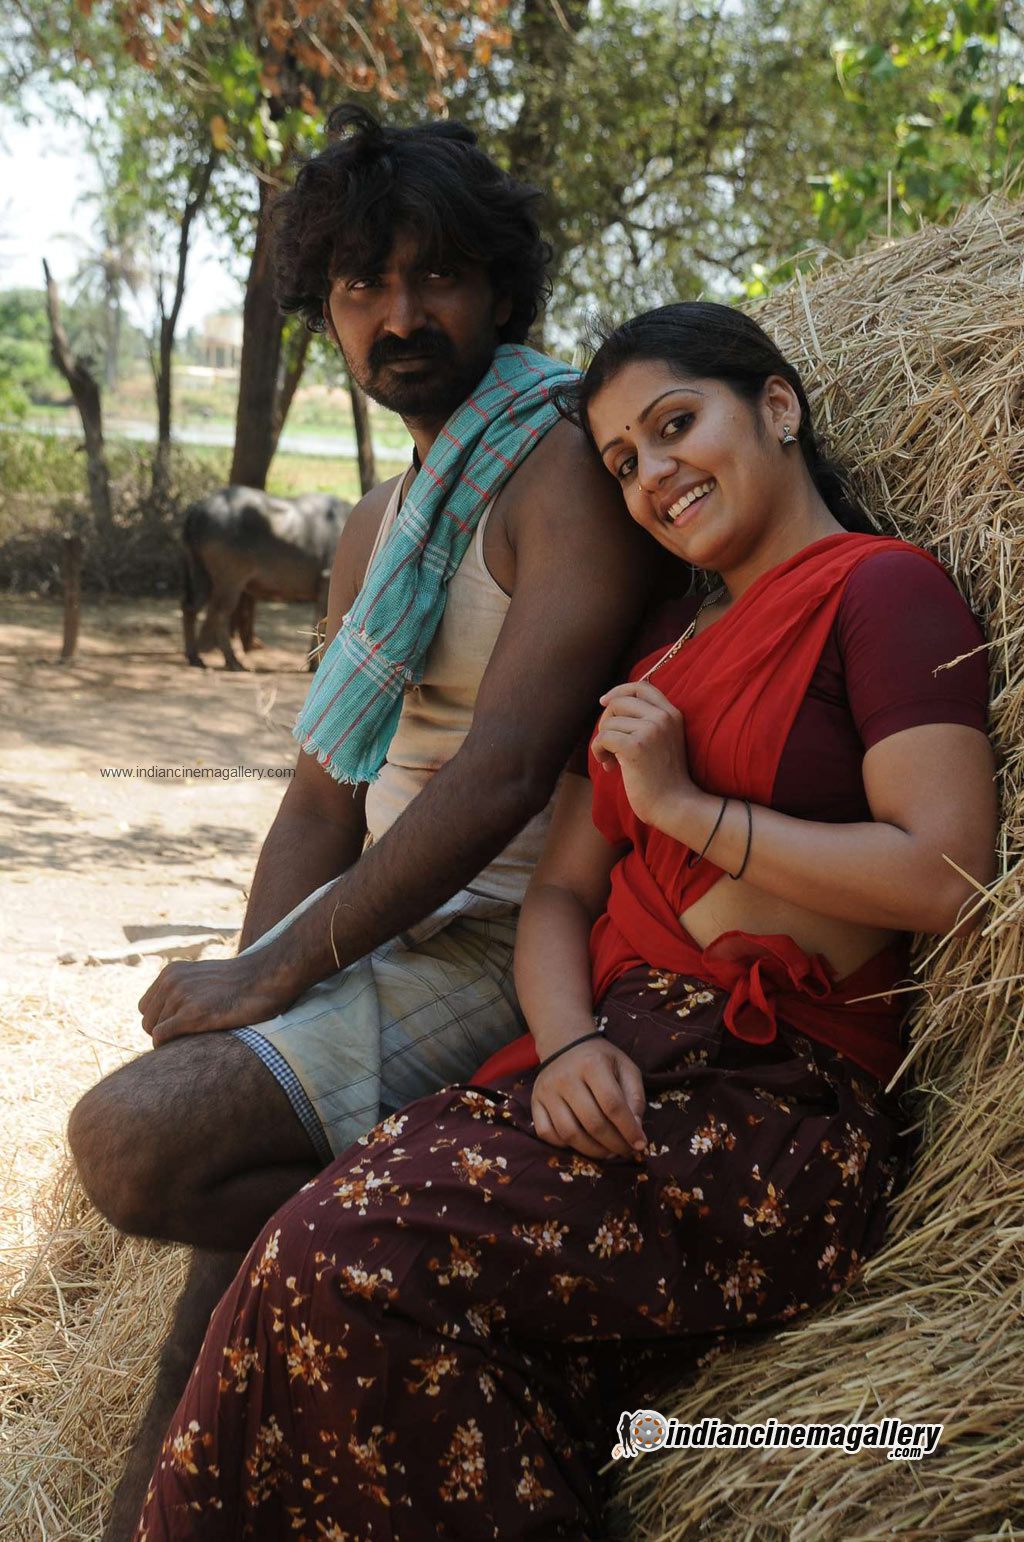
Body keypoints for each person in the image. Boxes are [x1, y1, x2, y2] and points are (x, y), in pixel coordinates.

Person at [133, 302, 997, 1540]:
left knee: (347, 1260)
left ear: (778, 405)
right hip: (612, 1066)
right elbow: (560, 894)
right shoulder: (660, 659)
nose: (654, 475)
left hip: (765, 1105)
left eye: (674, 425)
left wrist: (687, 809)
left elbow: (944, 874)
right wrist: (569, 1043)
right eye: (623, 461)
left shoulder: (880, 590)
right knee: (292, 1273)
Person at [66, 107, 651, 1540]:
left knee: (135, 1145)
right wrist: (253, 983)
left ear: (500, 289)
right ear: (323, 309)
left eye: (435, 275)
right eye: (360, 285)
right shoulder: (381, 520)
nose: (399, 315)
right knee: (214, 1264)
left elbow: (503, 776)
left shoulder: (560, 469)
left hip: (508, 935)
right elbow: (322, 795)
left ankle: (400, 1281)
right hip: (387, 926)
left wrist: (276, 975)